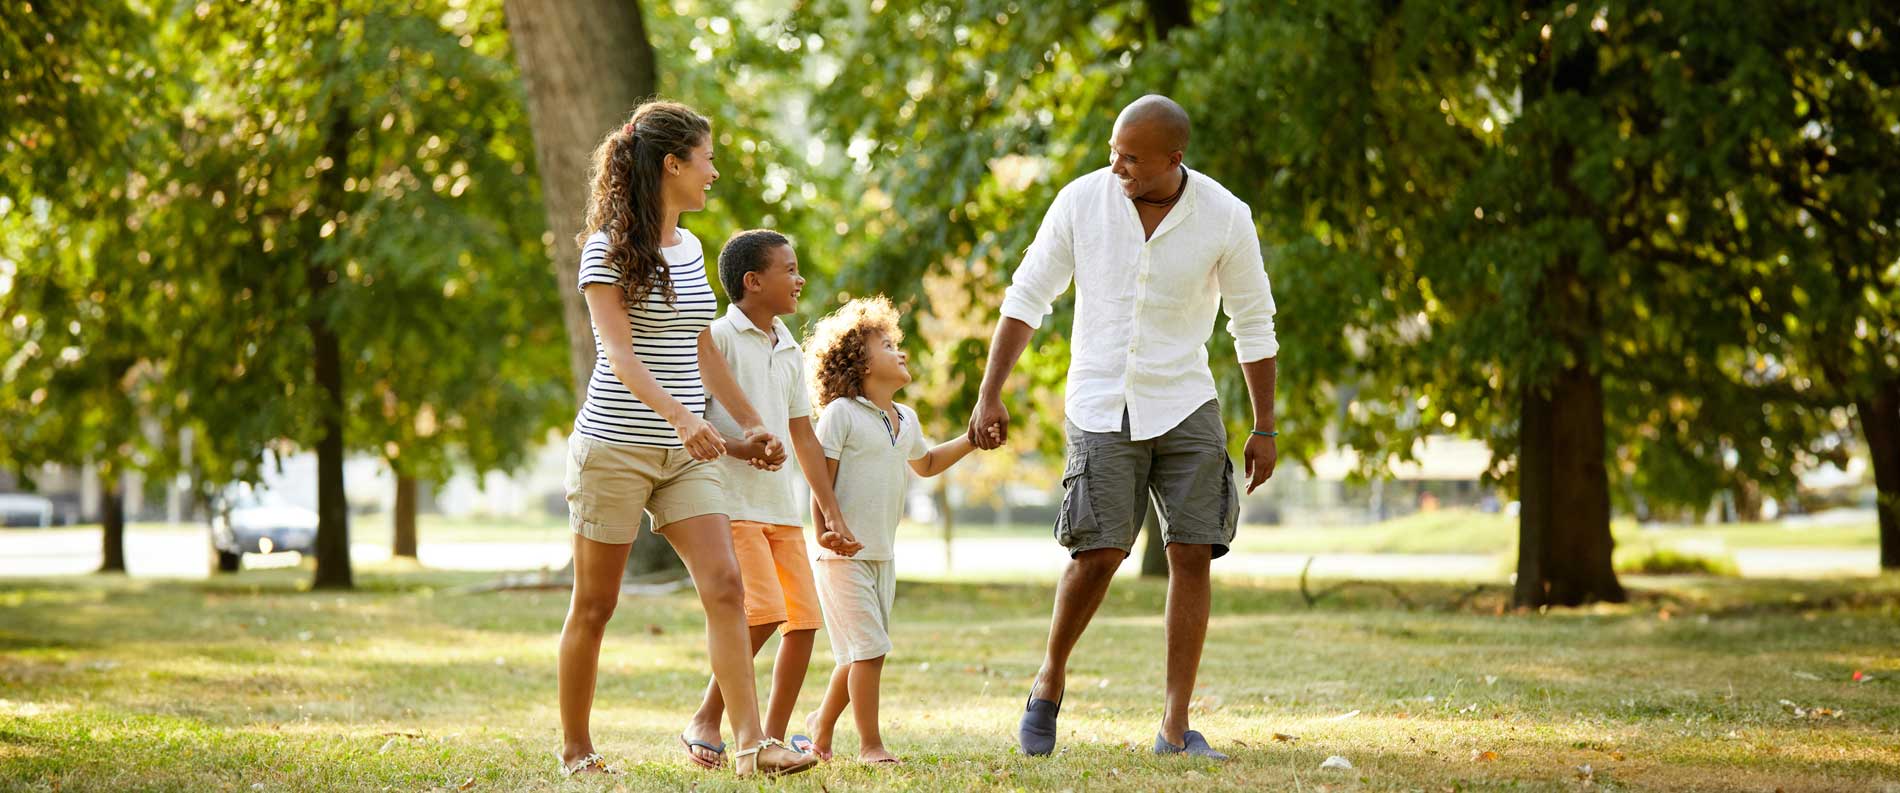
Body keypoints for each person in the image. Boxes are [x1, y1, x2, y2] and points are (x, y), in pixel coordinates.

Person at [967, 94, 1281, 761]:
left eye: (1131, 157)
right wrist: (989, 393)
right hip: (1101, 400)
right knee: (1100, 552)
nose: (1116, 165)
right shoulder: (1081, 201)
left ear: (1175, 157)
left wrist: (1266, 425)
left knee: (1194, 549)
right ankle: (1049, 678)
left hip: (1185, 398)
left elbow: (1253, 322)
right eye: (1114, 150)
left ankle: (1175, 726)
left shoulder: (1226, 215)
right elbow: (1027, 297)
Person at [555, 100, 816, 778]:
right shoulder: (605, 247)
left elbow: (702, 346)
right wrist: (683, 417)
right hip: (616, 446)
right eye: (705, 158)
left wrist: (748, 420)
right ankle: (577, 748)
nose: (714, 172)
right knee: (596, 603)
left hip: (686, 454)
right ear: (672, 164)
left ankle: (753, 744)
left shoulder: (692, 247)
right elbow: (619, 356)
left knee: (727, 586)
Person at [678, 229, 863, 766]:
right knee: (760, 613)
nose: (800, 278)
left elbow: (803, 433)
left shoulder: (788, 346)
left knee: (802, 621)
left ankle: (773, 738)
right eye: (789, 269)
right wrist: (744, 451)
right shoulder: (715, 338)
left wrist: (830, 510)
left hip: (781, 509)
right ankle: (714, 720)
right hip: (729, 504)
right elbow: (697, 427)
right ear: (753, 282)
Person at [800, 296, 984, 764]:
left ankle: (819, 727)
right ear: (859, 362)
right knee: (871, 650)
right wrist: (824, 531)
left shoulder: (905, 420)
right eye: (886, 344)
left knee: (859, 651)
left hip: (882, 553)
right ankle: (869, 745)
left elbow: (925, 464)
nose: (899, 352)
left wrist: (972, 439)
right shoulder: (842, 413)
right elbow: (821, 479)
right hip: (841, 556)